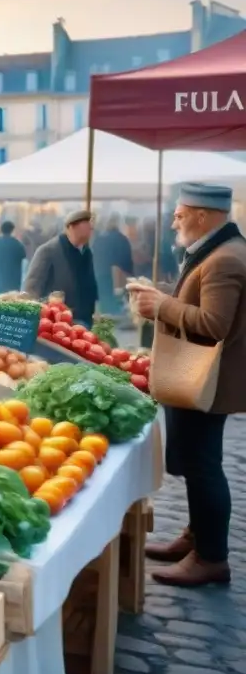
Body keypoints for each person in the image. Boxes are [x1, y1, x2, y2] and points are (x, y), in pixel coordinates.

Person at [130, 183, 246, 587]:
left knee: (204, 466)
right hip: (201, 378)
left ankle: (211, 557)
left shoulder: (225, 259)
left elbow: (215, 325)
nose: (174, 220)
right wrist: (162, 297)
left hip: (207, 382)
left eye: (180, 213)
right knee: (200, 463)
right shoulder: (218, 251)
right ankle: (197, 538)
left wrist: (162, 306)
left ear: (201, 215)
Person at [23, 209, 99, 325]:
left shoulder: (87, 252)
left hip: (85, 319)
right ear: (71, 227)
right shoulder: (48, 251)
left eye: (90, 228)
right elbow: (32, 287)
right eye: (86, 227)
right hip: (57, 322)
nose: (90, 230)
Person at [91, 215, 134, 315]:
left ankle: (105, 315)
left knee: (104, 299)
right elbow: (125, 260)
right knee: (110, 300)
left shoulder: (100, 238)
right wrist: (130, 273)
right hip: (110, 274)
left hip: (98, 272)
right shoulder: (121, 239)